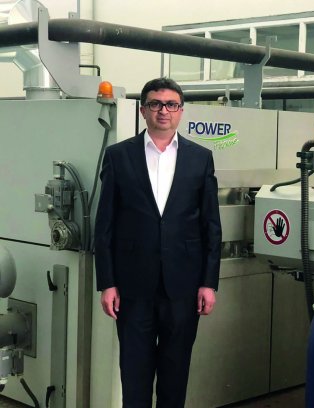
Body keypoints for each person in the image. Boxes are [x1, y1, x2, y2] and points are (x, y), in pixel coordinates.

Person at [94, 77, 222, 407]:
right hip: (133, 287)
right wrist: (107, 283)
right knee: (134, 374)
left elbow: (211, 226)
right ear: (143, 110)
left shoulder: (200, 158)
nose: (163, 111)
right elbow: (104, 225)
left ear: (181, 111)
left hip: (183, 287)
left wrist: (209, 283)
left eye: (171, 104)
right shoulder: (119, 156)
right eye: (155, 104)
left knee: (174, 374)